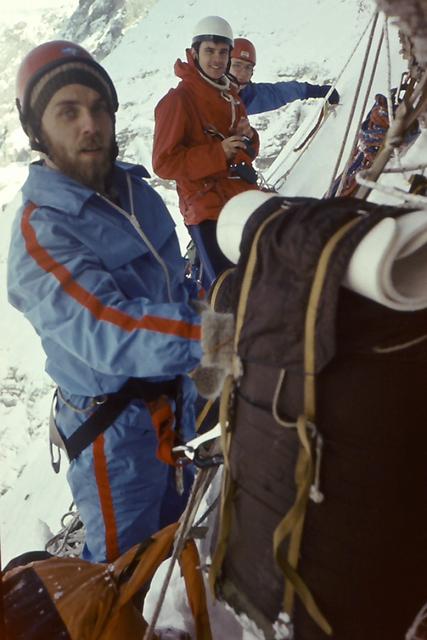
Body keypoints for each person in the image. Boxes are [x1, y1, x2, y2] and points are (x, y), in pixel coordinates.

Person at [7, 40, 203, 565]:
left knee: (180, 536)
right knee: (126, 574)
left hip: (175, 403)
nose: (90, 125)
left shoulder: (135, 192)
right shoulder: (41, 233)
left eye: (99, 108)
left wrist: (211, 307)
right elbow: (109, 330)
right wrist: (219, 336)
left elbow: (171, 285)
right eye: (67, 112)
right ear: (37, 131)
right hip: (115, 435)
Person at [152, 16, 261, 290]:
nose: (217, 59)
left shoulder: (230, 96)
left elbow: (246, 154)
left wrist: (249, 138)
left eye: (223, 52)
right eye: (210, 51)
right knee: (228, 290)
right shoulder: (177, 101)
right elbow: (164, 163)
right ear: (194, 53)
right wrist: (219, 153)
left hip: (241, 195)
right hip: (206, 208)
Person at [230, 37, 340, 115]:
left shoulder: (250, 96)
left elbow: (280, 92)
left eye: (248, 67)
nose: (243, 73)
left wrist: (319, 91)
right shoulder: (219, 98)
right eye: (237, 65)